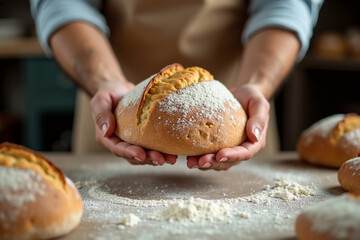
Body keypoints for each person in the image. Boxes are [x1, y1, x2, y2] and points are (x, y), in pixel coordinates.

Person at [30, 0, 323, 170]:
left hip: (234, 103)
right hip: (113, 104)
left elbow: (286, 4)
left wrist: (255, 84)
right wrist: (104, 81)